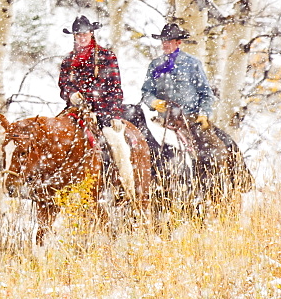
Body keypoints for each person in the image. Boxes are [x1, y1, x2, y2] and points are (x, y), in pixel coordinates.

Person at [140, 22, 253, 201]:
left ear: (178, 43)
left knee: (221, 144)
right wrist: (154, 102)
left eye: (169, 41)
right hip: (162, 120)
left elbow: (206, 94)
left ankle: (231, 182)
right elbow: (146, 92)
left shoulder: (192, 64)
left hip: (190, 119)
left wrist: (203, 114)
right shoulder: (155, 65)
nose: (165, 44)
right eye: (163, 41)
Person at [58, 15, 136, 201]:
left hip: (104, 111)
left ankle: (126, 186)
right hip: (76, 111)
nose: (82, 37)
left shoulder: (107, 56)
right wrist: (71, 94)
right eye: (78, 35)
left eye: (84, 34)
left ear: (91, 33)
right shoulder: (68, 60)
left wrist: (115, 114)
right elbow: (63, 85)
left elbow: (115, 88)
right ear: (74, 36)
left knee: (117, 145)